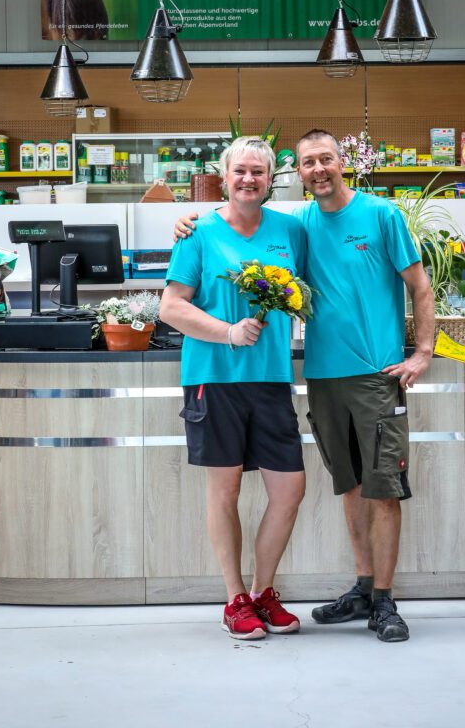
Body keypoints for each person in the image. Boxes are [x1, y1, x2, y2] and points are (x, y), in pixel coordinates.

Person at [174, 128, 435, 643]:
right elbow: (185, 287)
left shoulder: (362, 218)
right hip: (310, 377)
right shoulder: (285, 226)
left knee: (371, 489)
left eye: (326, 159)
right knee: (348, 485)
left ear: (342, 163)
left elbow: (419, 285)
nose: (318, 169)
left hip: (364, 373)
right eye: (309, 162)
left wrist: (423, 351)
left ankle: (378, 601)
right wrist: (187, 221)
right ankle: (342, 589)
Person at [160, 136, 307, 641]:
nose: (249, 179)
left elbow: (306, 289)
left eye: (258, 172)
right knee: (225, 491)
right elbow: (171, 306)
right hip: (214, 378)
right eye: (240, 171)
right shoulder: (198, 232)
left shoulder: (290, 230)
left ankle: (264, 593)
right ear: (224, 177)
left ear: (270, 180)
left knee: (289, 489)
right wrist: (227, 332)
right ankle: (234, 599)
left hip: (271, 379)